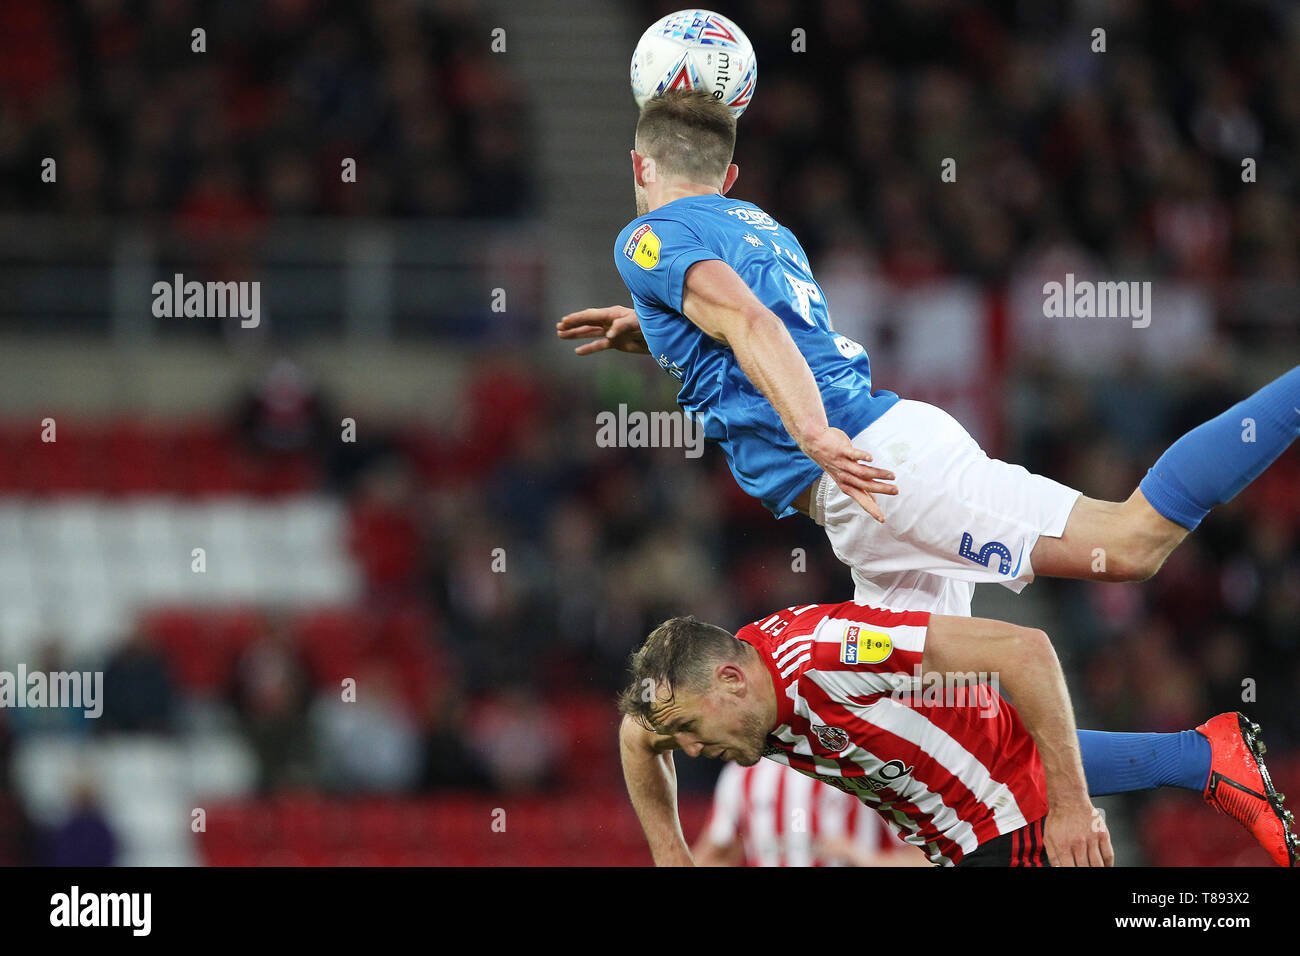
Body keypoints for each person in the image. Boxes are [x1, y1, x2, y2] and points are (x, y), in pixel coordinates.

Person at [556, 89, 1300, 621]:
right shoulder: (761, 227)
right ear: (730, 178)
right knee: (931, 731)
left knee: (1132, 542)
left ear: (638, 166)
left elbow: (754, 326)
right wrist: (650, 325)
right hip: (870, 491)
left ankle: (1193, 761)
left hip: (875, 466)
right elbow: (741, 319)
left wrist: (815, 434)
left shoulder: (643, 239)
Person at [618, 602, 1297, 866]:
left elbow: (1027, 650)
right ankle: (1204, 756)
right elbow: (633, 735)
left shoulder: (830, 652)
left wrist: (1068, 808)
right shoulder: (730, 697)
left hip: (1004, 827)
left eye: (689, 731)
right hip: (967, 819)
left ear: (732, 682)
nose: (693, 752)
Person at [696, 759, 928, 867]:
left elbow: (925, 859)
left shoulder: (861, 767)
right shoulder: (741, 773)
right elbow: (715, 854)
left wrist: (862, 857)